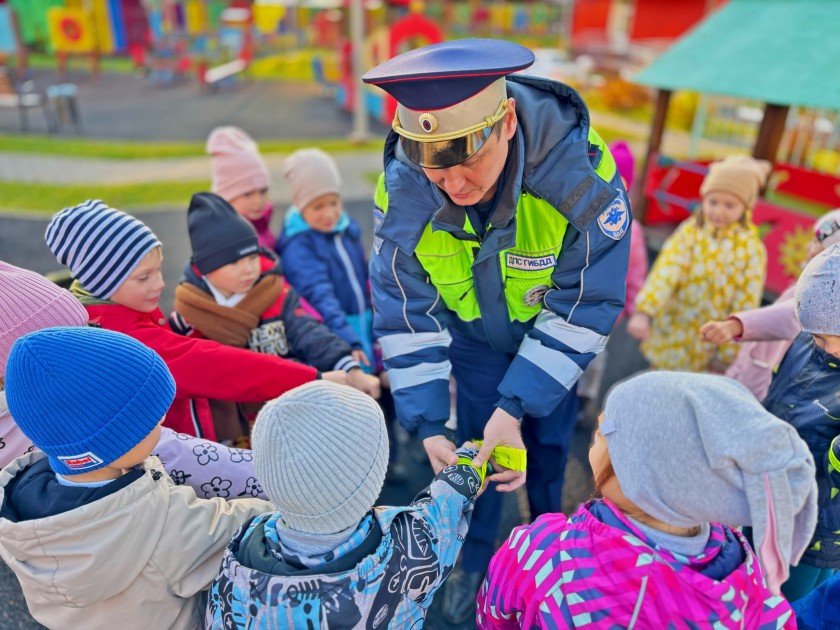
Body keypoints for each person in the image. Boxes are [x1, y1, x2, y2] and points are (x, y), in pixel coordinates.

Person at [362, 39, 631, 620]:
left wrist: (519, 403)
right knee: (474, 458)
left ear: (506, 121)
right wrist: (429, 420)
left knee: (550, 449)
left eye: (468, 160)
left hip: (550, 345)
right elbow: (405, 308)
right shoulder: (402, 188)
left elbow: (588, 300)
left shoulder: (583, 173)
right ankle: (476, 561)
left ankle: (550, 547)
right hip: (476, 346)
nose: (454, 185)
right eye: (434, 162)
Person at [477, 371, 817, 628]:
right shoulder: (748, 579)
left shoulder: (542, 550)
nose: (596, 434)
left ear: (643, 476)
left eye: (605, 431)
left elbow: (495, 614)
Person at [0, 326, 272, 629]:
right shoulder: (165, 527)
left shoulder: (21, 512)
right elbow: (243, 523)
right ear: (114, 444)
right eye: (152, 420)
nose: (163, 421)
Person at [44, 200, 348, 441]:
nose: (160, 284)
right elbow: (213, 365)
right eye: (144, 277)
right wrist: (311, 378)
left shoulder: (107, 313)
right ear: (102, 283)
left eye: (159, 270)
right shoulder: (122, 337)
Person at [205, 381, 484, 628]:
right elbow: (445, 507)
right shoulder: (409, 551)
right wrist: (469, 462)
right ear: (371, 481)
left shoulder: (239, 552)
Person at [0, 260, 268, 500]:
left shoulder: (56, 402)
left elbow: (171, 450)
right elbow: (163, 450)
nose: (88, 344)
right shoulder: (77, 407)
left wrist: (273, 474)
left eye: (87, 330)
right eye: (70, 341)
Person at [170, 192, 380, 430]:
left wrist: (349, 368)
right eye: (234, 262)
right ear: (206, 268)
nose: (248, 269)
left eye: (252, 258)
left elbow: (309, 333)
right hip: (227, 434)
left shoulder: (276, 294)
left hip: (288, 420)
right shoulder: (187, 319)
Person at [627, 156, 770, 372]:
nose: (718, 211)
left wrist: (728, 352)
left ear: (746, 206)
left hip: (709, 346)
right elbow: (666, 270)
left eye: (729, 205)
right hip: (673, 330)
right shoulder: (690, 232)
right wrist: (644, 311)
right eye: (713, 202)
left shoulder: (751, 249)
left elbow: (746, 301)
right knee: (657, 381)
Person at [761, 243, 840, 601]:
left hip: (817, 531)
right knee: (758, 594)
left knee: (794, 609)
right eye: (813, 335)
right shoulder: (808, 342)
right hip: (768, 499)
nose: (818, 344)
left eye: (826, 338)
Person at [701, 208, 840, 400]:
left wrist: (737, 325)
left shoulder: (825, 294)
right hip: (755, 363)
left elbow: (789, 316)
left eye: (818, 242)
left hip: (763, 378)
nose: (810, 246)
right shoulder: (812, 280)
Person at [276, 148, 374, 367]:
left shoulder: (346, 231)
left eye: (334, 203)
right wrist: (348, 340)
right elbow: (319, 295)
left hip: (362, 324)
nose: (329, 214)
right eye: (318, 206)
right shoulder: (299, 246)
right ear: (300, 206)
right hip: (335, 334)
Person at [207, 125, 275, 250]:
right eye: (247, 194)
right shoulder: (226, 240)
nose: (258, 201)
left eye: (263, 191)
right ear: (226, 197)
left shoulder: (261, 224)